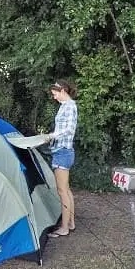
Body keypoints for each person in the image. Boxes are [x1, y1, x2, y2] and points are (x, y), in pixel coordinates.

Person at [44, 80, 78, 237]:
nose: (54, 97)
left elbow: (69, 129)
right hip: (62, 150)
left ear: (63, 90)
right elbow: (62, 129)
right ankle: (70, 223)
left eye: (55, 93)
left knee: (62, 191)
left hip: (63, 152)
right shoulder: (65, 106)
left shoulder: (70, 106)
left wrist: (53, 135)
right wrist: (51, 137)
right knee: (66, 189)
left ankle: (64, 228)